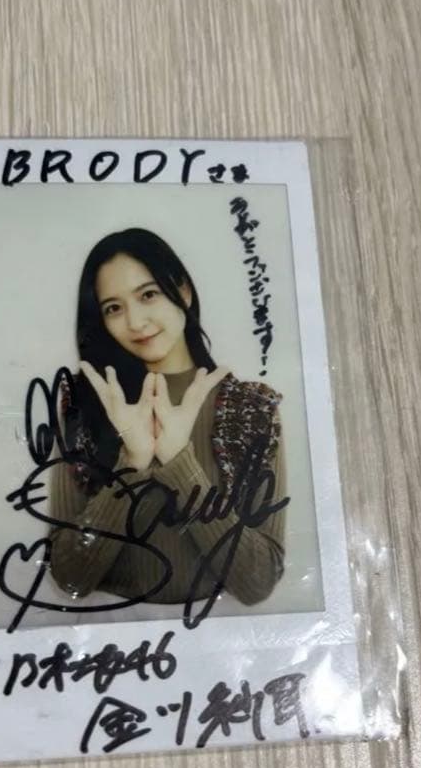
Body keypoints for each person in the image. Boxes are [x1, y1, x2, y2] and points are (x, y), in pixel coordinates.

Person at [47, 227, 287, 610]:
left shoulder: (251, 407)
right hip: (108, 637)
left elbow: (258, 583)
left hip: (219, 638)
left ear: (183, 291)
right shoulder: (85, 402)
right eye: (113, 308)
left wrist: (179, 463)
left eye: (148, 294)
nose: (135, 322)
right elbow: (70, 577)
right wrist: (132, 464)